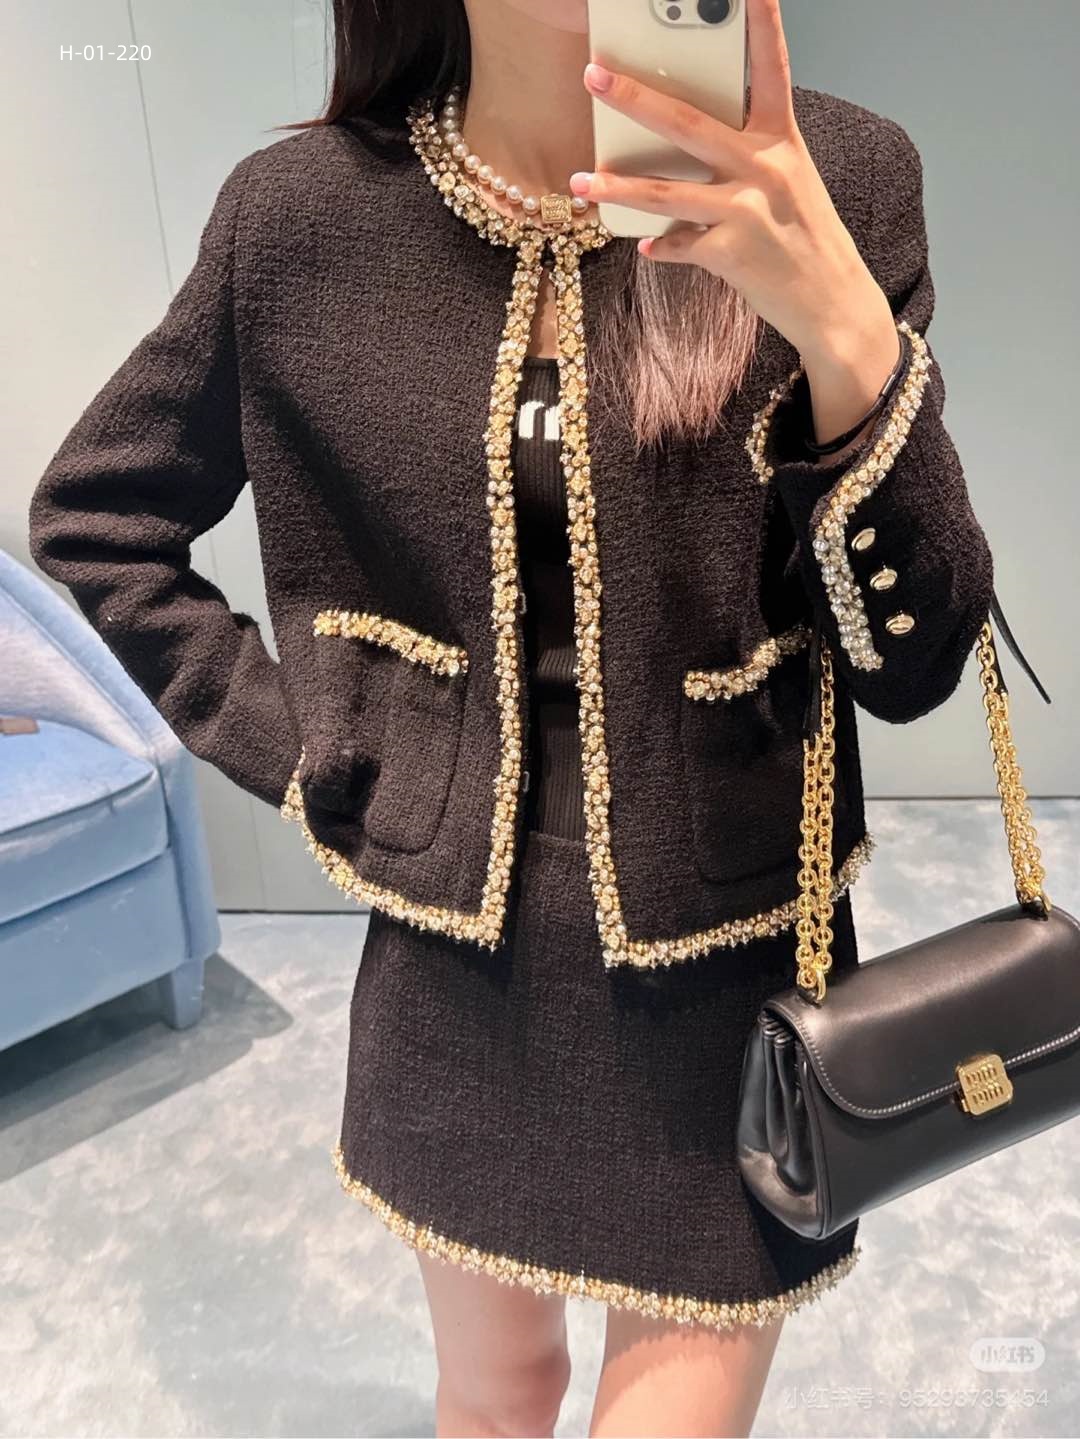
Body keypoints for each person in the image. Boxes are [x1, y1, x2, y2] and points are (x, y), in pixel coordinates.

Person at [27, 0, 995, 1433]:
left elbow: (915, 663)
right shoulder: (298, 219)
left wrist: (845, 332)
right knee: (497, 1396)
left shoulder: (833, 175)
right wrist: (314, 756)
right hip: (451, 971)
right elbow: (101, 520)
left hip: (727, 966)